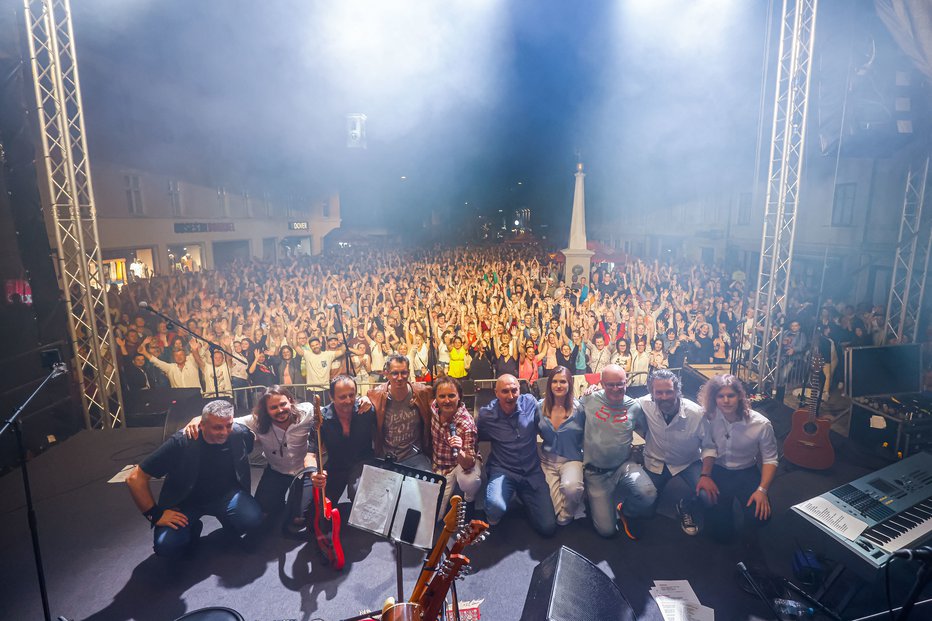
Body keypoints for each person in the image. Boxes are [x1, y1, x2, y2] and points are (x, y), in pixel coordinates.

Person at [126, 400, 262, 559]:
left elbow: (256, 435)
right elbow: (135, 478)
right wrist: (155, 515)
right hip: (185, 503)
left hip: (226, 496)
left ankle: (230, 523)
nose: (224, 432)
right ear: (202, 425)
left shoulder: (238, 434)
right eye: (217, 427)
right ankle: (192, 528)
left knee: (252, 519)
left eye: (228, 425)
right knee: (166, 546)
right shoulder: (182, 442)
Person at [182, 386, 319, 535]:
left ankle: (296, 505)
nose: (280, 410)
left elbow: (327, 412)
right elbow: (225, 420)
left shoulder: (307, 411)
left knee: (299, 520)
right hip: (276, 472)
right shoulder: (257, 421)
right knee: (261, 513)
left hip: (303, 472)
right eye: (273, 407)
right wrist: (198, 419)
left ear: (290, 401)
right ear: (265, 410)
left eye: (283, 404)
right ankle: (280, 502)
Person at [626, 369, 718, 536]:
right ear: (651, 393)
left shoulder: (696, 413)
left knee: (709, 497)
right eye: (658, 392)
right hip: (656, 461)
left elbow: (709, 446)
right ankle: (629, 507)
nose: (664, 397)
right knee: (646, 508)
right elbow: (618, 402)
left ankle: (687, 504)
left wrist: (706, 476)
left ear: (678, 391)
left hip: (688, 462)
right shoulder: (643, 404)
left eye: (669, 391)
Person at [700, 374, 778, 542]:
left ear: (740, 397)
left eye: (731, 395)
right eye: (721, 396)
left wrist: (762, 491)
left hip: (746, 471)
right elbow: (708, 447)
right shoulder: (709, 418)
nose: (726, 400)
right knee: (720, 533)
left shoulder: (761, 424)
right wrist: (705, 475)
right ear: (714, 398)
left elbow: (770, 459)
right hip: (719, 470)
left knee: (760, 517)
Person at [477, 374, 557, 537]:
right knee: (495, 509)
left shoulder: (530, 403)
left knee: (548, 527)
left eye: (514, 391)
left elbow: (552, 409)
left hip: (531, 471)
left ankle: (522, 494)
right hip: (503, 470)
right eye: (505, 391)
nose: (510, 396)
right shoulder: (486, 415)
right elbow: (474, 437)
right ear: (496, 392)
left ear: (520, 390)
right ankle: (501, 494)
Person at [579, 364, 654, 539]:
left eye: (620, 383)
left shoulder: (634, 406)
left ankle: (625, 511)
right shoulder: (589, 400)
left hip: (623, 466)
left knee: (648, 494)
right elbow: (570, 416)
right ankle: (592, 500)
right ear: (602, 384)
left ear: (626, 382)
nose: (616, 388)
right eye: (610, 384)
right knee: (607, 531)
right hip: (595, 473)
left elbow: (648, 431)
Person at [309, 375, 377, 506]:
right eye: (342, 397)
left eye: (351, 395)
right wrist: (313, 473)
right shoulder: (321, 418)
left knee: (360, 497)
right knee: (314, 510)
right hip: (336, 466)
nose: (348, 400)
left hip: (363, 463)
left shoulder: (366, 410)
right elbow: (310, 453)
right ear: (331, 396)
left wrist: (368, 397)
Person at [537, 367, 585, 526]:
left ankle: (572, 507)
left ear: (569, 384)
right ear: (549, 384)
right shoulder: (539, 407)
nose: (558, 385)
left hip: (571, 459)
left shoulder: (580, 409)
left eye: (563, 381)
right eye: (555, 381)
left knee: (571, 489)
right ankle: (571, 500)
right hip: (547, 462)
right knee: (551, 512)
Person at [367, 354, 433, 471]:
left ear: (408, 373)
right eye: (394, 373)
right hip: (387, 458)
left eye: (404, 373)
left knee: (428, 485)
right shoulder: (375, 395)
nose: (400, 377)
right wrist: (364, 399)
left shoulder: (422, 393)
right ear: (386, 374)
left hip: (414, 455)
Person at [430, 377, 482, 513]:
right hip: (439, 466)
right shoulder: (433, 410)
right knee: (435, 516)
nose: (447, 400)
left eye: (451, 395)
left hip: (460, 463)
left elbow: (469, 462)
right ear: (435, 398)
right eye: (442, 396)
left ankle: (470, 499)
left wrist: (459, 451)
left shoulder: (467, 424)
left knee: (470, 481)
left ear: (459, 397)